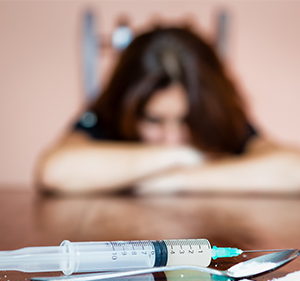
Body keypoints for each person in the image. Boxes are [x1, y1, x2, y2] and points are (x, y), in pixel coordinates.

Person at [36, 26, 300, 195]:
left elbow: (294, 170)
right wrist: (180, 156)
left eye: (187, 120)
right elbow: (54, 171)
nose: (172, 138)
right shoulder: (108, 115)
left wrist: (171, 180)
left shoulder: (219, 118)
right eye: (154, 120)